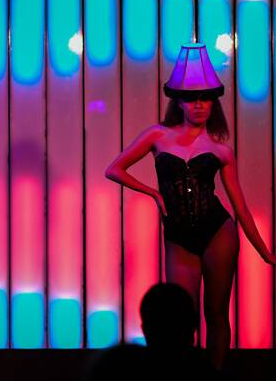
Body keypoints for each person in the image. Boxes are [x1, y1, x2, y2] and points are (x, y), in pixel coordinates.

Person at [106, 43, 276, 369]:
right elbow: (114, 169)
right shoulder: (157, 136)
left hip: (218, 232)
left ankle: (216, 378)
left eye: (205, 98)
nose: (198, 105)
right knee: (177, 320)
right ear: (179, 102)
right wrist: (154, 194)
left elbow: (239, 207)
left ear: (214, 102)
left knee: (216, 312)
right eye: (191, 98)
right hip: (178, 235)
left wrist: (265, 252)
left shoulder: (221, 150)